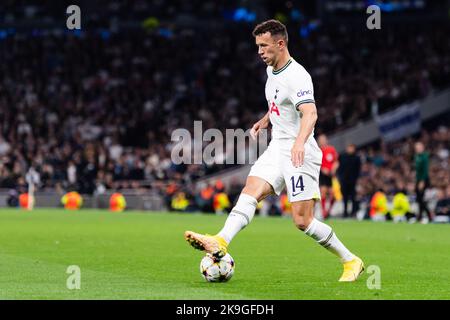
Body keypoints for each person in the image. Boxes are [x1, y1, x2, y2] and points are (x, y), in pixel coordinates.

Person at [184, 20, 364, 282]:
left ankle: (351, 260)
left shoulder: (298, 75)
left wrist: (300, 142)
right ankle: (220, 240)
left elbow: (310, 113)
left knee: (303, 222)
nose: (259, 51)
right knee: (250, 191)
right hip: (276, 147)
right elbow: (280, 102)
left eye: (264, 45)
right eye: (257, 46)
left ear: (281, 44)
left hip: (298, 152)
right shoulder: (272, 71)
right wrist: (265, 119)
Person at [318, 134, 339, 219]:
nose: (322, 141)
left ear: (326, 140)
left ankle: (328, 211)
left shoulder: (331, 149)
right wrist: (322, 168)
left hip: (331, 175)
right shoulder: (318, 150)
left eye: (323, 139)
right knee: (323, 192)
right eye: (321, 140)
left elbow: (336, 161)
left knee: (333, 195)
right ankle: (323, 212)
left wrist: (334, 168)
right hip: (322, 175)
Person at [338, 144, 361, 218]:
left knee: (353, 197)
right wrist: (340, 178)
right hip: (344, 181)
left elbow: (358, 170)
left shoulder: (357, 158)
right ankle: (345, 212)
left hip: (352, 181)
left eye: (351, 148)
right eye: (349, 148)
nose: (350, 149)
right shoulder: (342, 156)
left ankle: (353, 212)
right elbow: (339, 168)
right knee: (344, 197)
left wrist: (356, 179)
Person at [414, 142, 432, 223]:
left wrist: (422, 181)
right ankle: (420, 217)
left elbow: (425, 170)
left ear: (423, 148)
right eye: (416, 148)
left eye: (419, 147)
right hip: (418, 179)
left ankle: (429, 216)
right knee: (419, 199)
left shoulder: (425, 156)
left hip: (424, 180)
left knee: (422, 199)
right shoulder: (416, 156)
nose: (418, 149)